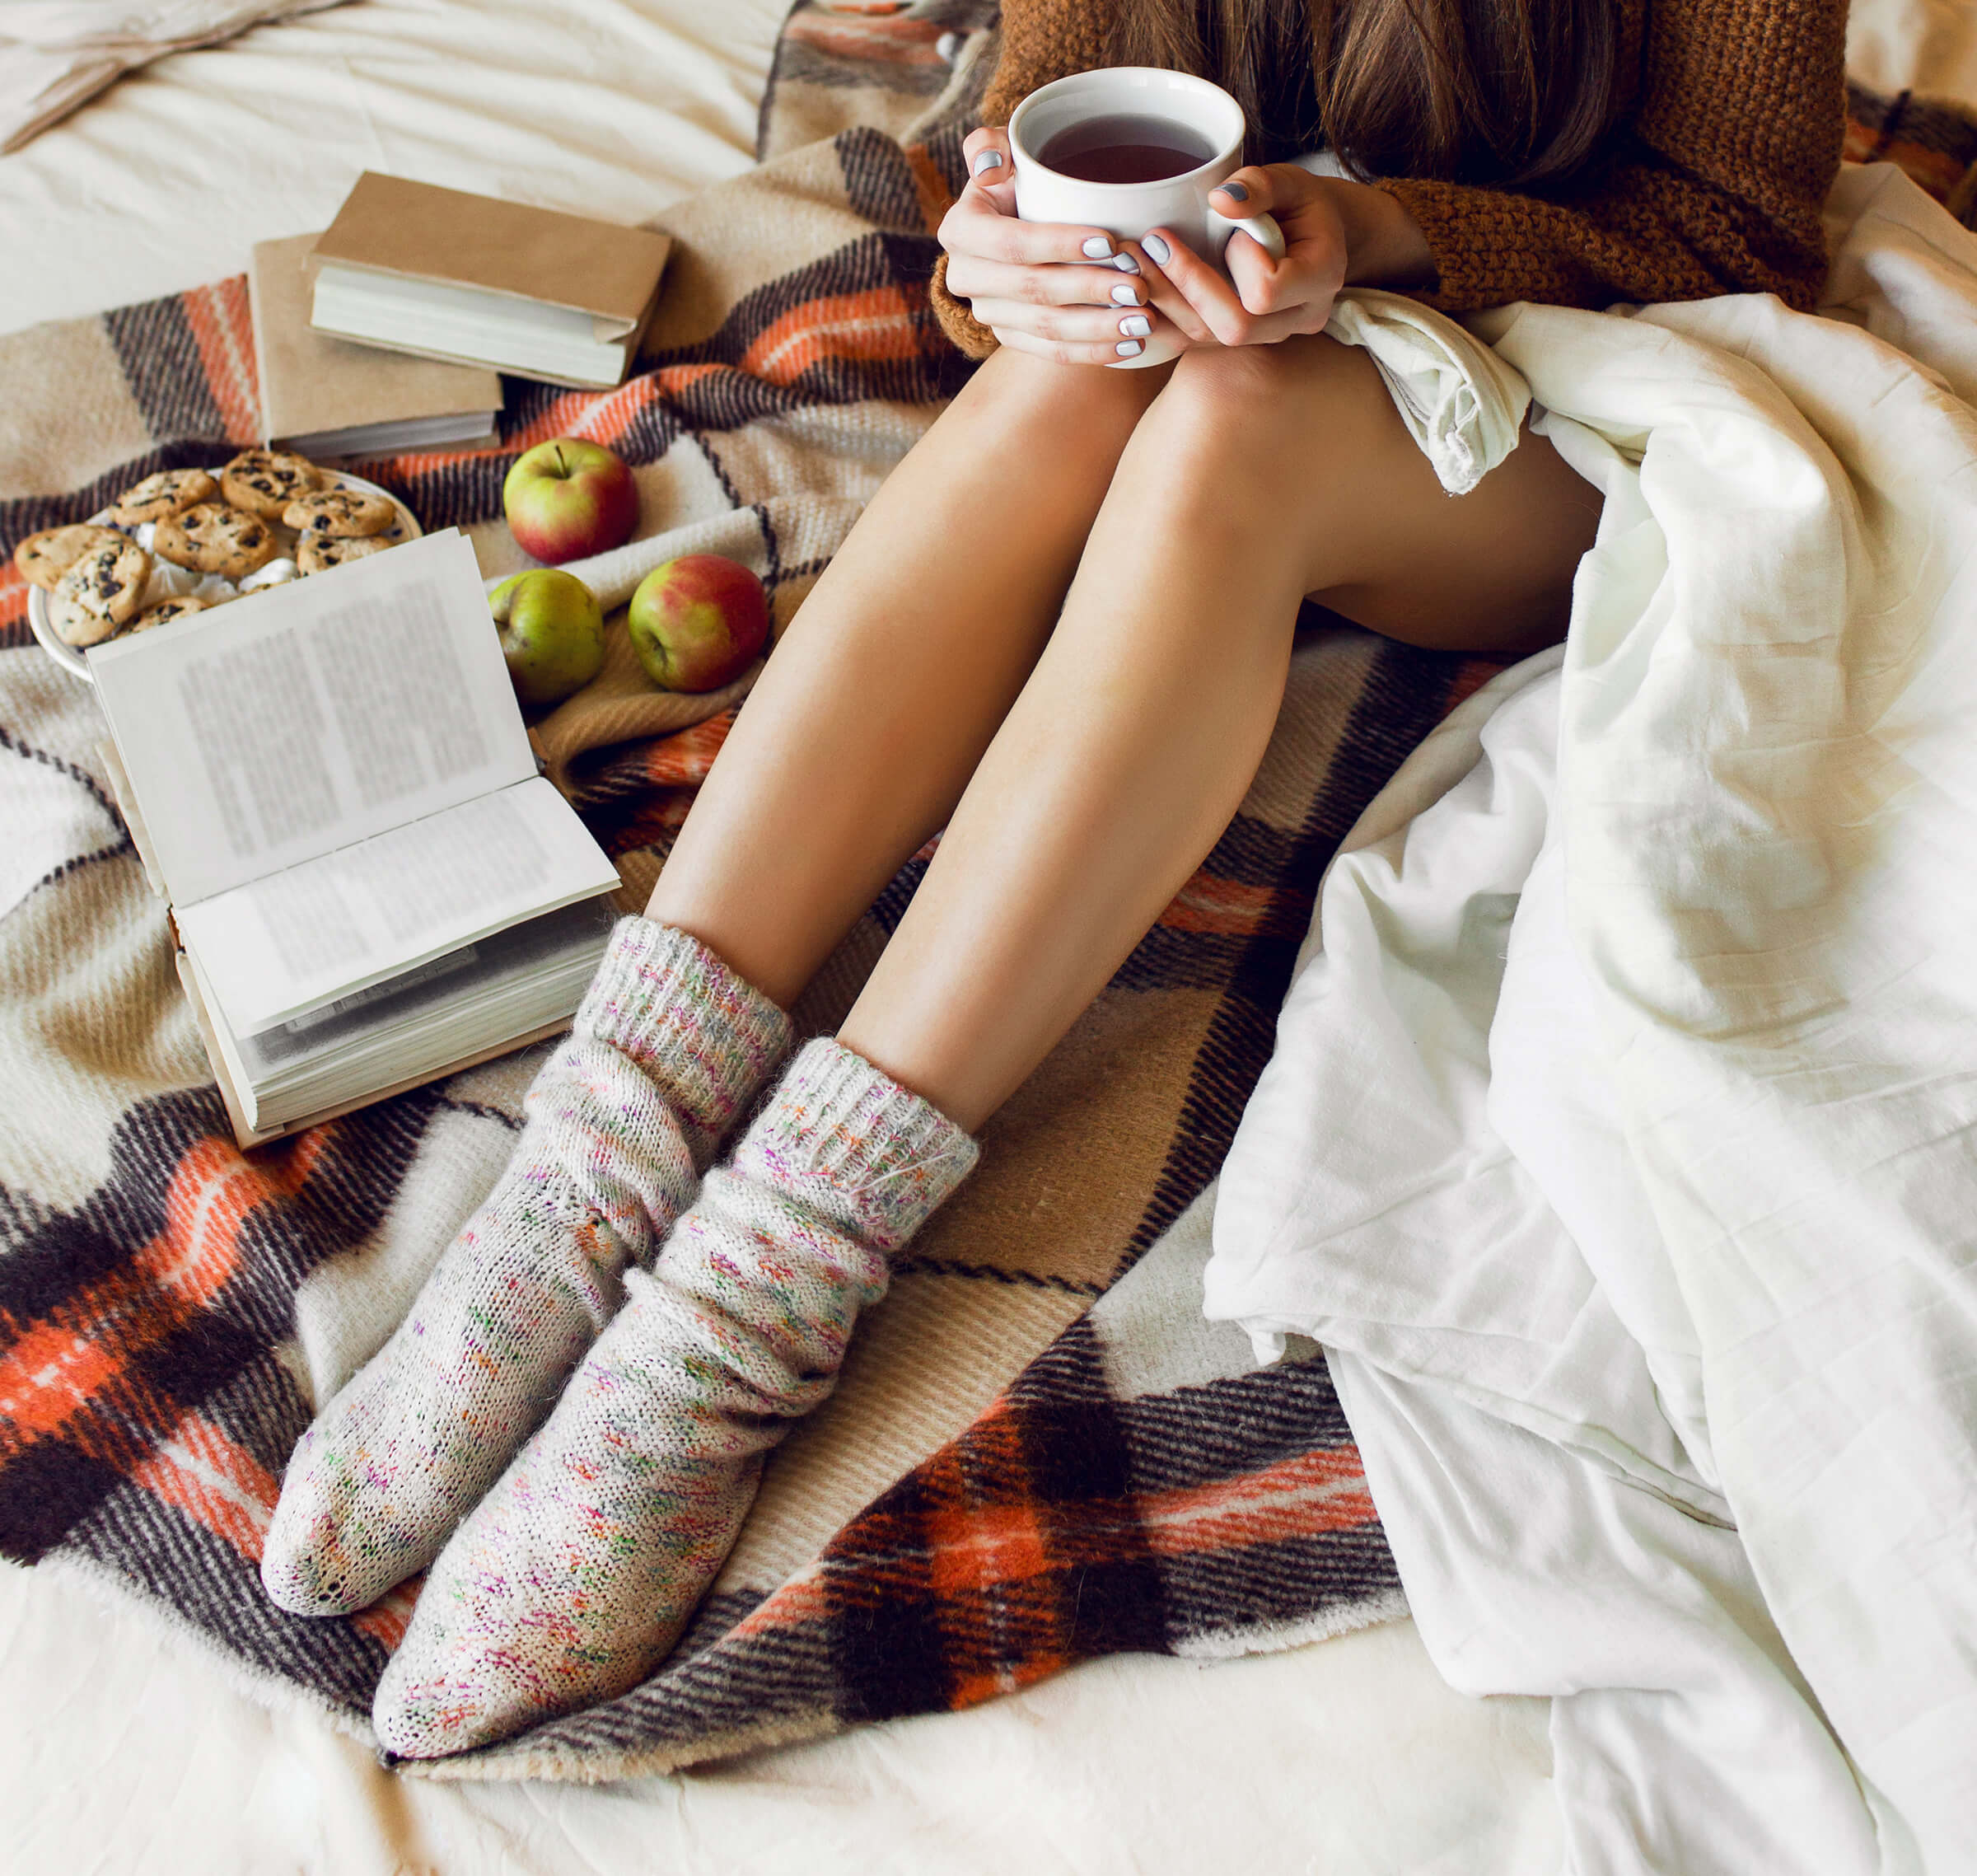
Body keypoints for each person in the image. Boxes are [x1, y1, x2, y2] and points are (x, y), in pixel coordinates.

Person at [259, 0, 1849, 1758]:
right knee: (1066, 376)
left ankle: (745, 1302)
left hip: (1611, 386)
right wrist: (1006, 257)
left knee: (1237, 417)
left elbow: (1735, 235)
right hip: (1259, 312)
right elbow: (1032, 127)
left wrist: (1382, 230)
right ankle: (587, 1175)